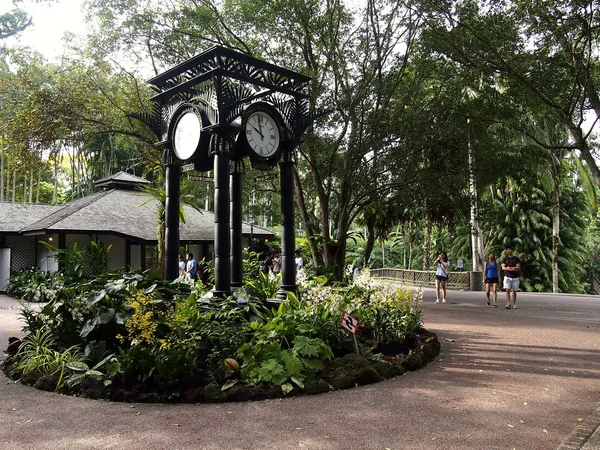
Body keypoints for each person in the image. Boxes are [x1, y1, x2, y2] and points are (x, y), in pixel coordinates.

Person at [501, 245, 521, 309]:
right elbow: (503, 267)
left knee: (514, 290)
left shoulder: (516, 259)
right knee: (507, 290)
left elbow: (518, 267)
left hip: (515, 277)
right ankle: (508, 303)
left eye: (510, 249)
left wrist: (511, 268)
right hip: (507, 276)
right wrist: (510, 269)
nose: (508, 251)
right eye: (507, 250)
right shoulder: (505, 259)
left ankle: (514, 304)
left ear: (512, 250)